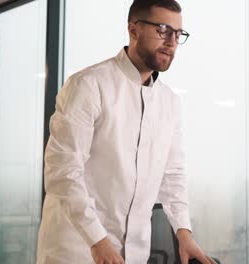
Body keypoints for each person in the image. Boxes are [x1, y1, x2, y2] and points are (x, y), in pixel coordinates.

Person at [36, 0, 214, 263]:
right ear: (134, 30)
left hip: (133, 254)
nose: (171, 41)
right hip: (76, 250)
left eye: (177, 34)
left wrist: (184, 234)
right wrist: (98, 241)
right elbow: (62, 171)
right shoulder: (88, 85)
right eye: (163, 30)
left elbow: (172, 174)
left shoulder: (169, 102)